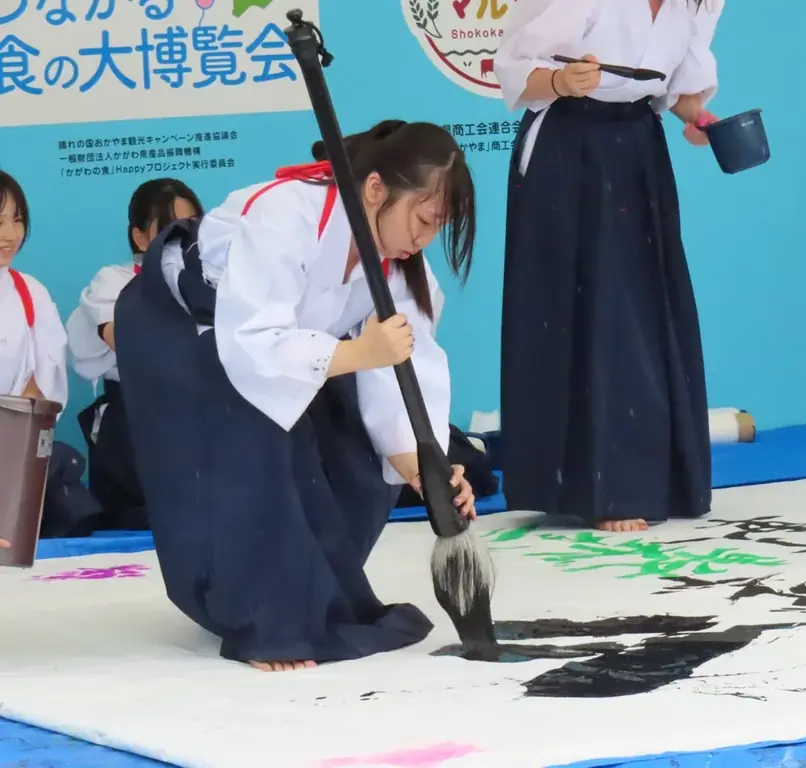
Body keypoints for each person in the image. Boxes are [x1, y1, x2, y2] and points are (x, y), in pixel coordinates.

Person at [113, 120, 478, 671]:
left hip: (292, 349)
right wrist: (356, 356)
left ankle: (310, 597)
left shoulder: (404, 264)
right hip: (186, 329)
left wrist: (423, 468)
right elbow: (253, 341)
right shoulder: (286, 215)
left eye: (437, 227)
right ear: (376, 190)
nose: (423, 239)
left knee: (353, 450)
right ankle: (263, 617)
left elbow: (406, 365)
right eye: (423, 220)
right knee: (255, 447)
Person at [493, 0, 724, 533]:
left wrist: (702, 119)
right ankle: (602, 486)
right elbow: (515, 71)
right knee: (591, 309)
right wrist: (559, 80)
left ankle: (654, 477)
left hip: (638, 144)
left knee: (645, 305)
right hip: (569, 146)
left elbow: (679, 87)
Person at [66, 178, 203, 531]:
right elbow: (128, 342)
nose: (183, 237)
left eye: (192, 226)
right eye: (170, 228)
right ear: (140, 236)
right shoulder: (114, 281)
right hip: (134, 415)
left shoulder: (212, 281)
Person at [0, 171, 103, 539]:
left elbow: (43, 378)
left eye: (17, 219)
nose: (10, 234)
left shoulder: (31, 292)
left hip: (12, 452)